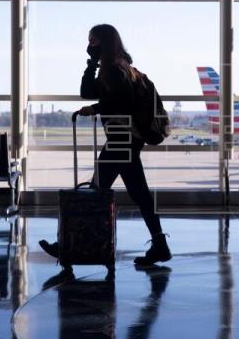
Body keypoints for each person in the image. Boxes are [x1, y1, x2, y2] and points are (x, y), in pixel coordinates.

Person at [40, 24, 172, 266]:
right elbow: (87, 91)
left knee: (96, 191)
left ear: (104, 42)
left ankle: (68, 244)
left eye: (93, 41)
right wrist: (91, 63)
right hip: (127, 138)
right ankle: (159, 243)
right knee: (135, 192)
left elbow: (121, 102)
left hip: (122, 138)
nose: (89, 45)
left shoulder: (114, 70)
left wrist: (96, 108)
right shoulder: (121, 66)